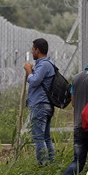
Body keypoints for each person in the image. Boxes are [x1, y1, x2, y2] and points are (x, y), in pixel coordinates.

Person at [23, 38, 56, 166]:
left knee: (38, 138)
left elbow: (35, 80)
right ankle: (52, 164)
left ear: (37, 50)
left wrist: (28, 71)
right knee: (46, 137)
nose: (32, 52)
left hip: (40, 104)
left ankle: (43, 165)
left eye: (33, 49)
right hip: (45, 104)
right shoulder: (46, 64)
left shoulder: (44, 65)